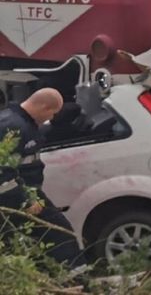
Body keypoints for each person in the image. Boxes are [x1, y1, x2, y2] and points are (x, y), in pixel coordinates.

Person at [0, 88, 85, 268]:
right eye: (52, 114)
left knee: (29, 242)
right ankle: (76, 280)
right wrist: (27, 200)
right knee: (60, 236)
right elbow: (3, 172)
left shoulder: (21, 123)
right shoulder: (14, 127)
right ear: (45, 107)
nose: (51, 119)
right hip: (16, 197)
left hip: (24, 194)